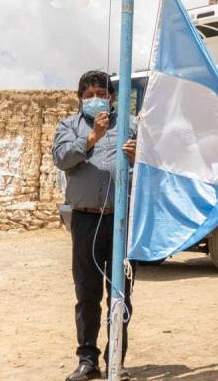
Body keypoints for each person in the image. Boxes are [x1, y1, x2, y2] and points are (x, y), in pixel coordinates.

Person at [53, 70, 138, 381]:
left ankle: (117, 357)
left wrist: (138, 154)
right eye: (87, 95)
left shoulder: (130, 124)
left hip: (120, 220)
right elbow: (62, 158)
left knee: (120, 292)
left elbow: (151, 165)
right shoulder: (69, 126)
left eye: (100, 93)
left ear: (112, 97)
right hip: (86, 218)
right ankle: (88, 360)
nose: (94, 99)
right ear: (79, 99)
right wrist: (92, 138)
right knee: (87, 292)